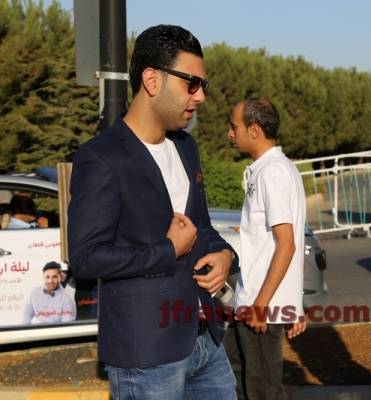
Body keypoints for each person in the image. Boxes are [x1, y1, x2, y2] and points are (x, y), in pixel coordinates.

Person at [68, 25, 237, 399]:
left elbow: (202, 227)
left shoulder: (186, 146)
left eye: (203, 85)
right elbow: (85, 258)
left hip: (206, 342)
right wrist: (168, 249)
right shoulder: (101, 157)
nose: (200, 96)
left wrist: (227, 256)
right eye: (192, 84)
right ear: (152, 80)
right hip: (146, 355)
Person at [224, 98, 307, 400]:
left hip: (260, 307)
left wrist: (262, 305)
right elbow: (274, 236)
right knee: (232, 376)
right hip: (254, 303)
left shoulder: (273, 173)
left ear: (254, 130)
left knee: (262, 392)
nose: (230, 134)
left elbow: (287, 243)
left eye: (234, 127)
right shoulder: (269, 169)